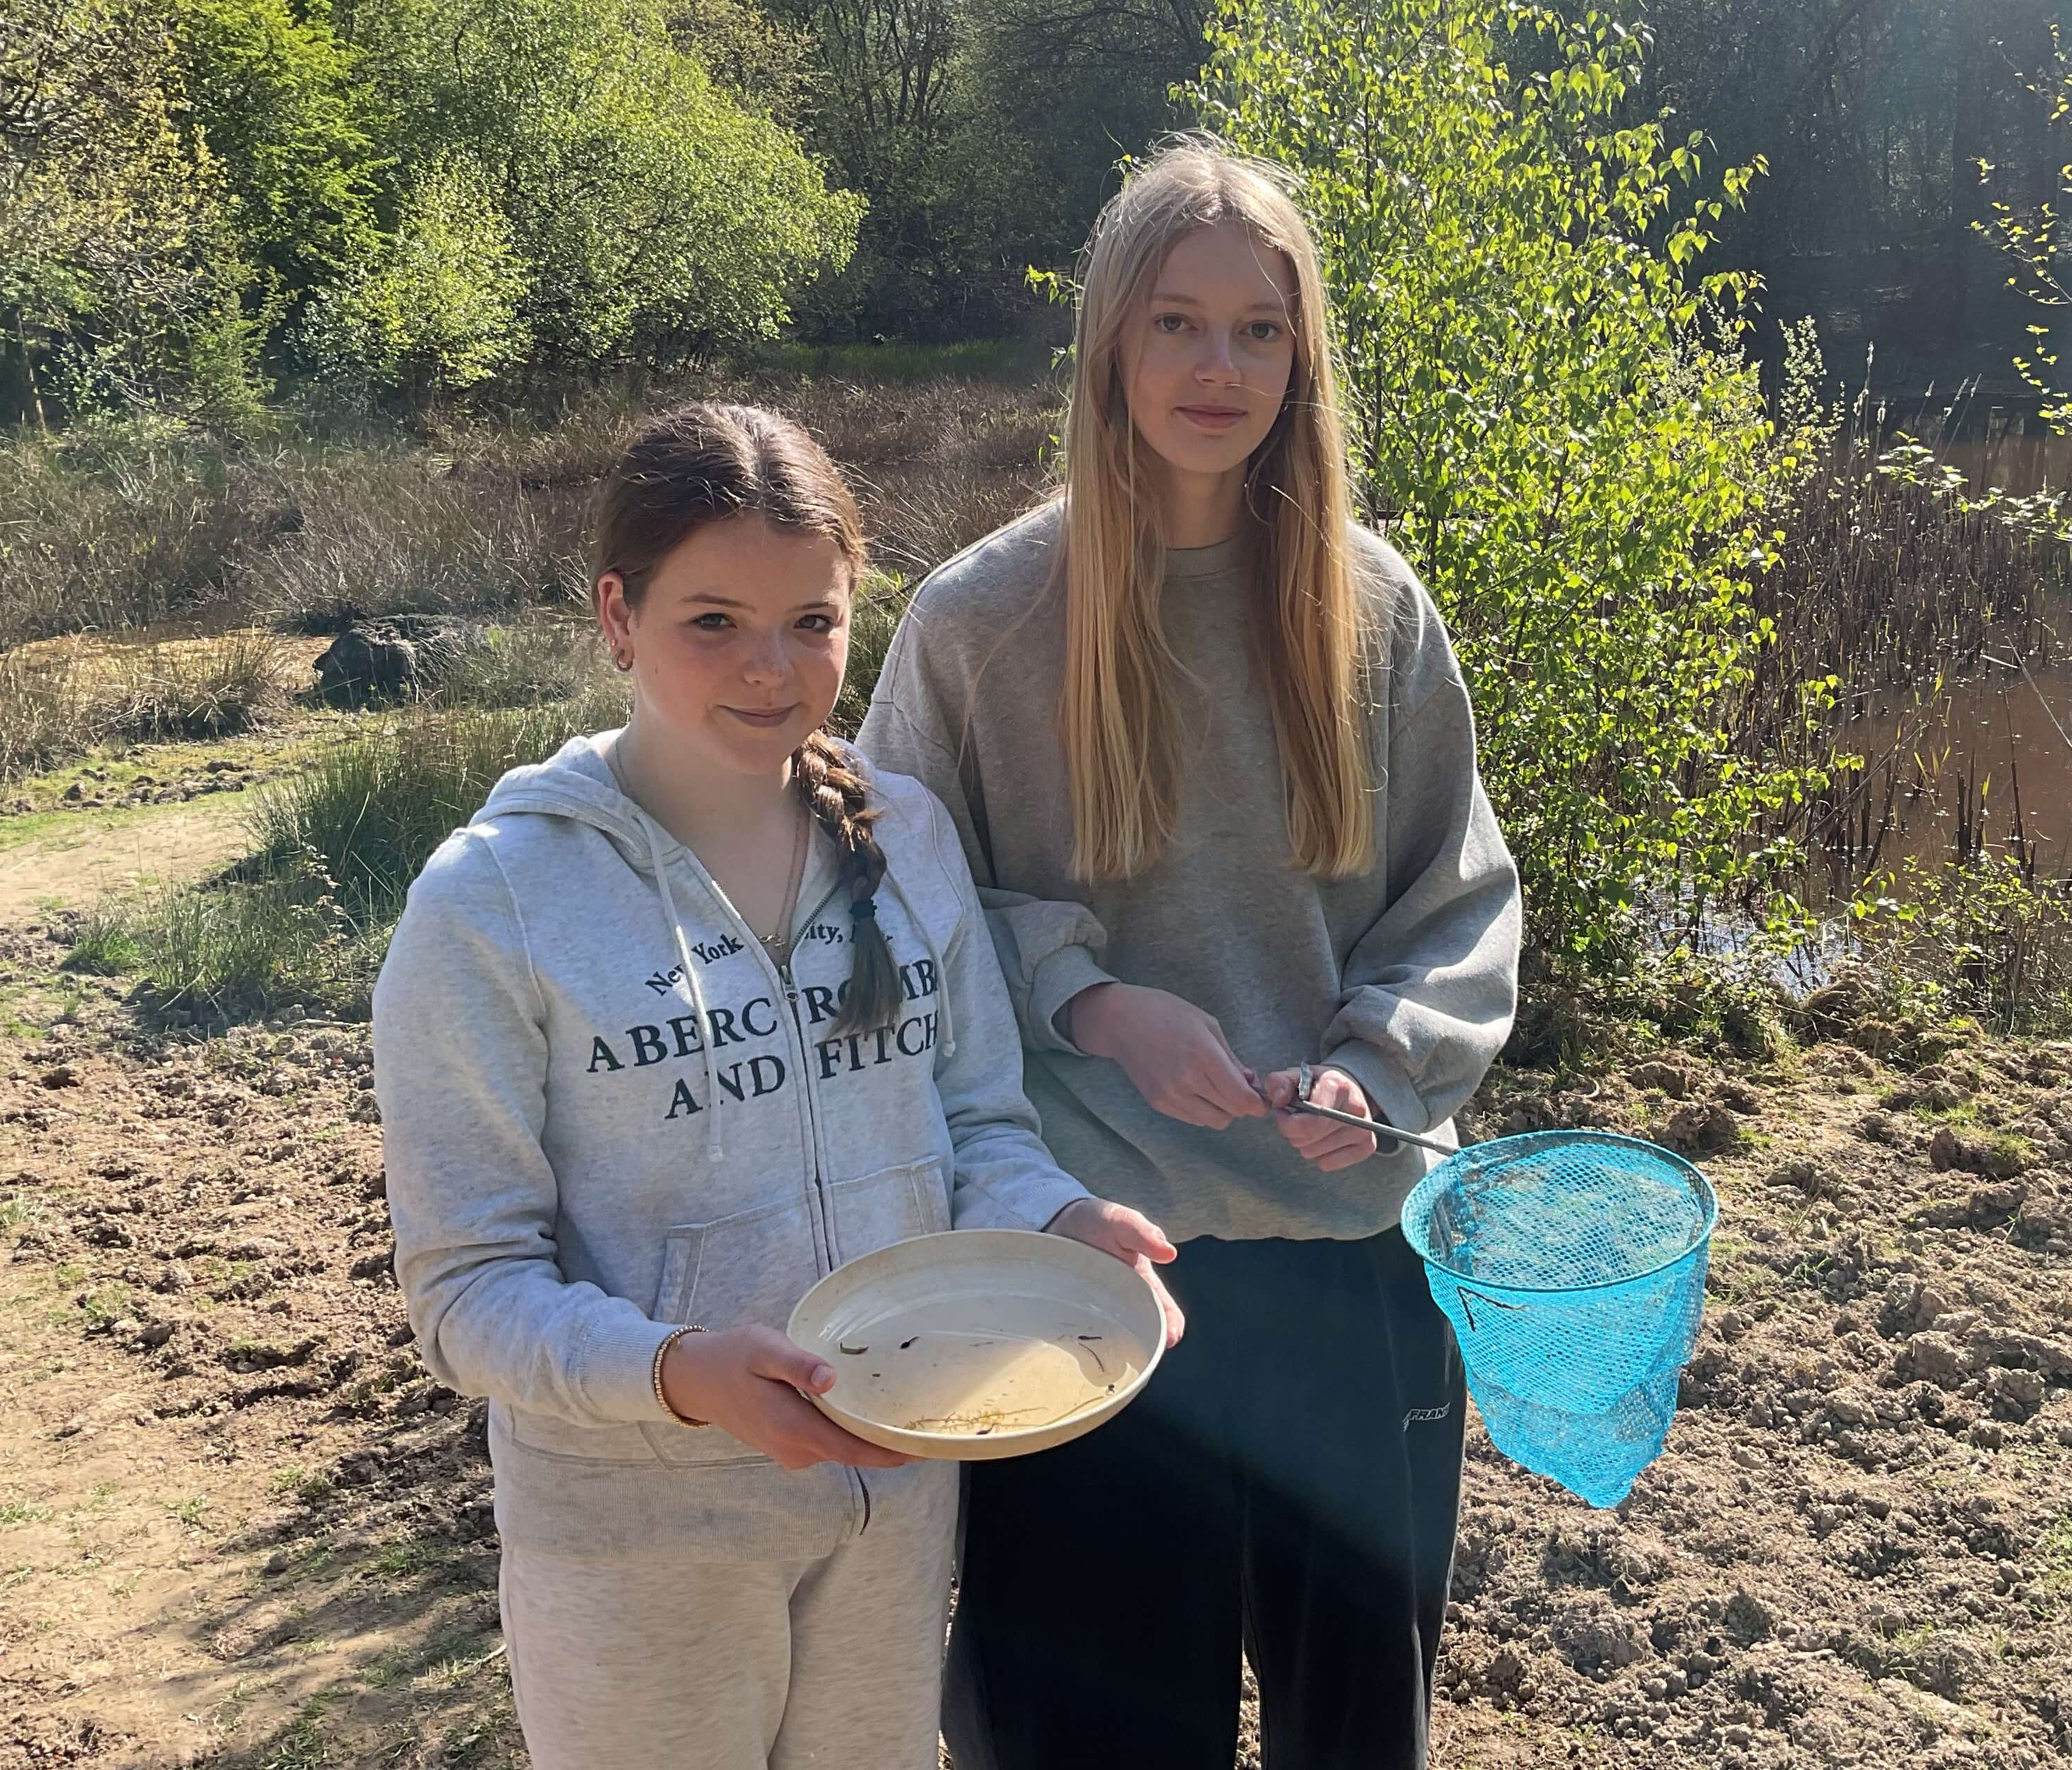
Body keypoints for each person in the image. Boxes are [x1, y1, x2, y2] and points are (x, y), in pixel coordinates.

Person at [372, 403, 1180, 1770]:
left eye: (813, 622)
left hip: (891, 1499)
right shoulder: (495, 901)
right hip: (638, 1542)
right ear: (617, 616)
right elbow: (465, 1291)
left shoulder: (907, 837)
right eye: (714, 622)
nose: (771, 669)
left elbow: (978, 1126)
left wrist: (1055, 1223)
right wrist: (679, 1376)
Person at [858, 138, 1522, 1770]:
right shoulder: (979, 621)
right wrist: (1090, 1001)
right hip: (1082, 1265)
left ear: (1303, 358)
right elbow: (880, 911)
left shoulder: (1374, 609)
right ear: (1109, 341)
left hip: (1351, 1264)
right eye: (1176, 322)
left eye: (1258, 329)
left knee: (1355, 1733)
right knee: (1086, 1733)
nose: (1219, 366)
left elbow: (1461, 897)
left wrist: (1376, 1066)